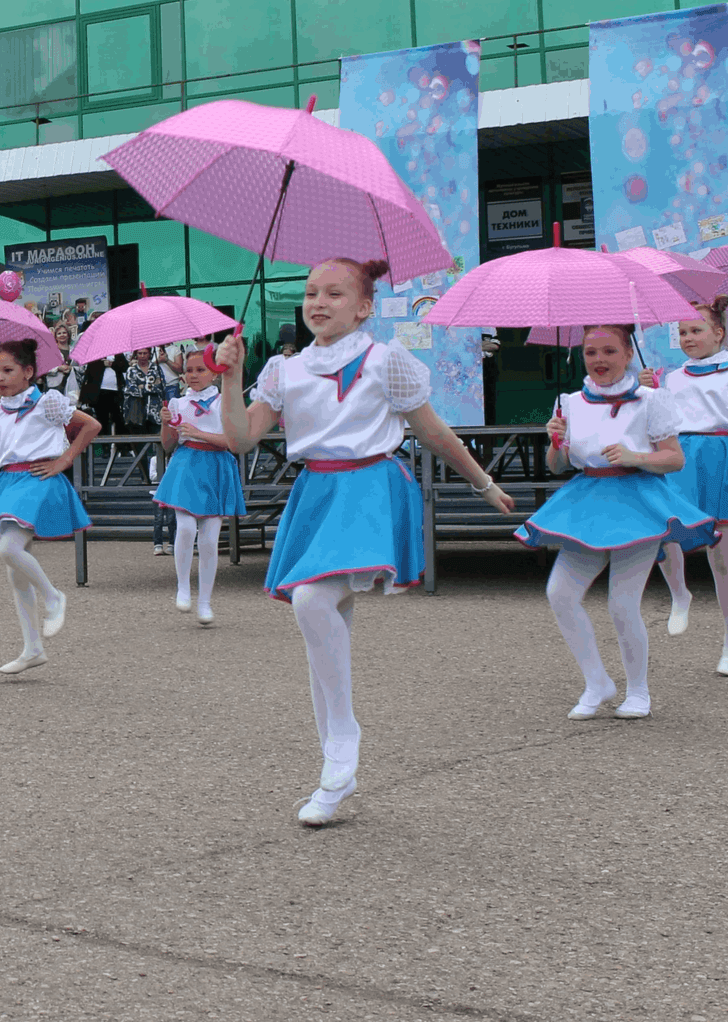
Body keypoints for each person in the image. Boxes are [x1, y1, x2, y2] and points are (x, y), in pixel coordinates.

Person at [214, 258, 514, 826]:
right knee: (323, 622)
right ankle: (334, 775)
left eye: (334, 293)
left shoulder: (386, 359)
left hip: (372, 487)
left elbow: (432, 431)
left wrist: (484, 482)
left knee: (312, 600)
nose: (318, 302)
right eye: (310, 293)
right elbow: (239, 439)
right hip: (317, 494)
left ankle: (343, 738)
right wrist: (232, 379)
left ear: (364, 307)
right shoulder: (284, 369)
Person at [518, 323, 714, 722]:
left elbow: (674, 458)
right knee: (559, 593)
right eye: (591, 353)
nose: (600, 360)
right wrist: (555, 442)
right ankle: (597, 682)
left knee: (622, 604)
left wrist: (634, 456)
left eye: (609, 351)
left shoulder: (651, 400)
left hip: (637, 503)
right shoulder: (568, 402)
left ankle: (638, 691)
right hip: (587, 501)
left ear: (627, 355)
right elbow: (559, 466)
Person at [648, 298, 728, 675]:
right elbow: (658, 425)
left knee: (722, 556)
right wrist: (648, 392)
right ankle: (679, 594)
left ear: (718, 333)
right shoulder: (670, 377)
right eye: (683, 331)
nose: (688, 337)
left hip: (726, 461)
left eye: (696, 330)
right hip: (681, 460)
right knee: (662, 535)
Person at [0, 337, 100, 674]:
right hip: (8, 482)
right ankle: (33, 648)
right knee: (13, 568)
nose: (0, 377)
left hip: (39, 478)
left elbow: (91, 426)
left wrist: (64, 460)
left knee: (7, 550)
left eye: (8, 370)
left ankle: (53, 596)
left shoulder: (48, 402)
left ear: (28, 371)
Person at [154, 345, 245, 626]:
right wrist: (166, 423)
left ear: (214, 373)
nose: (193, 375)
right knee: (184, 526)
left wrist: (199, 433)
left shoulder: (224, 402)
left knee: (208, 540)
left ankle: (205, 602)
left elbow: (234, 443)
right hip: (185, 465)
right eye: (189, 370)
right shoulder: (178, 403)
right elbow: (168, 445)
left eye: (200, 370)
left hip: (216, 467)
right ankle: (183, 586)